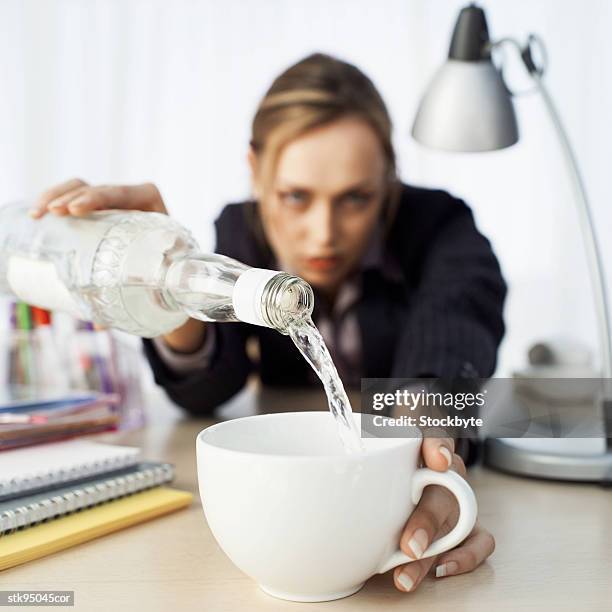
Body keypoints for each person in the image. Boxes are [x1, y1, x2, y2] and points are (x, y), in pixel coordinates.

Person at [33, 53, 504, 593]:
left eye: (356, 198)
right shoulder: (241, 233)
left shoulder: (440, 225)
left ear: (388, 176)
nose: (323, 233)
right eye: (296, 197)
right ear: (256, 171)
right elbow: (208, 386)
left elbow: (458, 321)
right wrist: (162, 282)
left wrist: (424, 435)